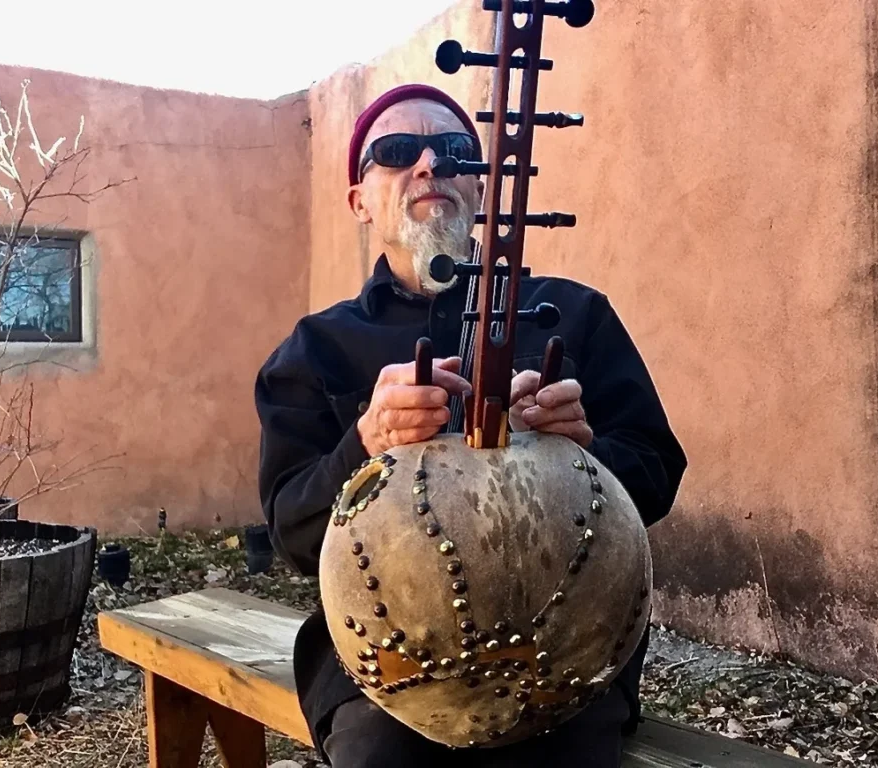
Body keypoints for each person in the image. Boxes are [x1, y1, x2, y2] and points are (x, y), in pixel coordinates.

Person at [255, 83, 687, 768]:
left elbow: (656, 470)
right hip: (385, 669)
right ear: (358, 202)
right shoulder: (315, 350)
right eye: (396, 153)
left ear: (483, 188)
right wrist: (364, 443)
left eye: (456, 152)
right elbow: (294, 533)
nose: (430, 164)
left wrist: (586, 454)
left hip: (563, 655)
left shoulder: (576, 315)